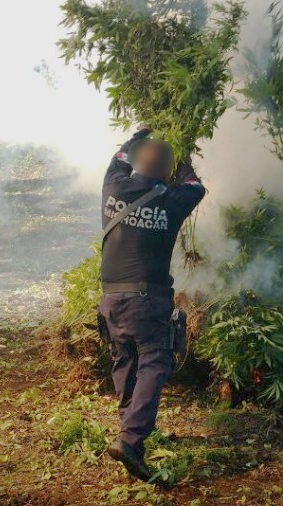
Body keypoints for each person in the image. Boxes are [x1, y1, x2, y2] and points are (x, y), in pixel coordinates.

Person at [98, 128, 205, 481]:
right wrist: (183, 151)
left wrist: (143, 132)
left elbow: (119, 157)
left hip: (111, 300)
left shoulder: (113, 185)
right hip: (148, 300)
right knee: (154, 363)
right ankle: (130, 439)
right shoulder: (173, 200)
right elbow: (196, 186)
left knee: (125, 360)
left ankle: (128, 432)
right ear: (166, 172)